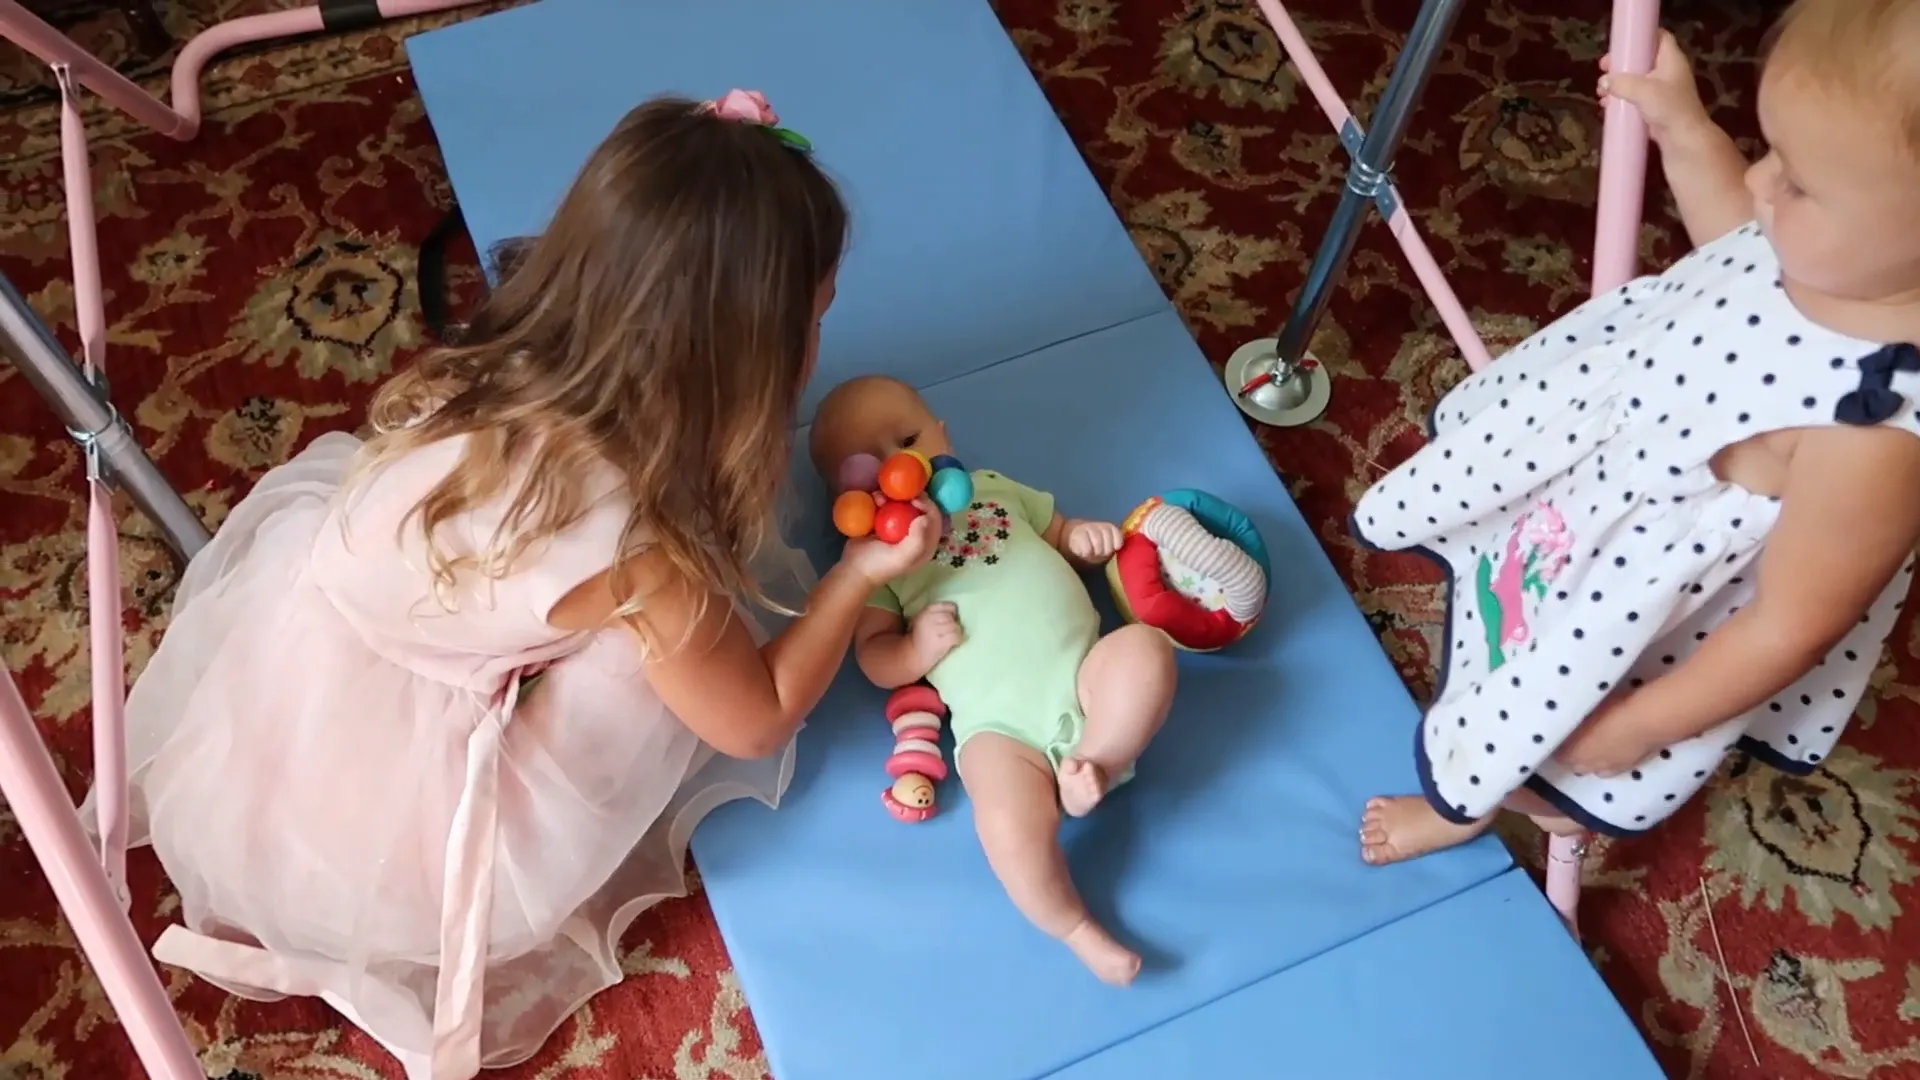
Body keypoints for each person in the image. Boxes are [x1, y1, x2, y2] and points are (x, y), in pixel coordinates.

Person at [82, 90, 939, 1080]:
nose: (823, 340)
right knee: (654, 654)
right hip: (396, 843)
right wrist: (862, 575)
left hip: (280, 714)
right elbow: (755, 722)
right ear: (748, 359)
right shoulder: (646, 555)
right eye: (818, 318)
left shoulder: (494, 361)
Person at [1353, 0, 1920, 865]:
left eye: (1799, 180)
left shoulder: (1873, 434)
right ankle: (1499, 751)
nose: (1765, 183)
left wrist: (1642, 729)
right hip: (1604, 471)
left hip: (1641, 593)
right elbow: (1737, 240)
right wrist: (1685, 128)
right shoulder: (1848, 252)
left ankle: (1490, 805)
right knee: (1510, 632)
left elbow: (1789, 624)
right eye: (1771, 151)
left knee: (1560, 723)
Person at [809, 375, 1178, 986]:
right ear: (846, 500)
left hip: (1084, 673)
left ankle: (1097, 764)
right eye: (869, 464)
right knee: (1006, 826)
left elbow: (1057, 531)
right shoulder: (880, 564)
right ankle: (1076, 929)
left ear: (943, 436)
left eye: (908, 439)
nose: (900, 465)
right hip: (997, 728)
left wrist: (1083, 539)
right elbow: (874, 658)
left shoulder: (995, 490)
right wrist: (914, 647)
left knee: (1145, 650)